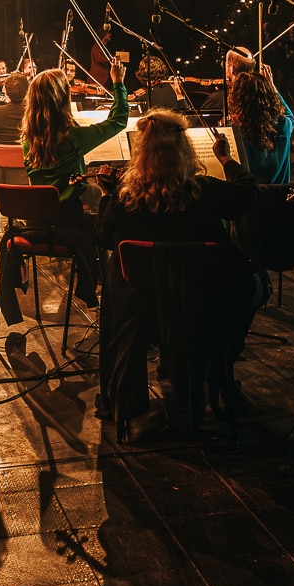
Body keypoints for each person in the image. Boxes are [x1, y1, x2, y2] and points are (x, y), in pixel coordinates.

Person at [96, 109, 259, 427]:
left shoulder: (124, 197)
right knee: (252, 285)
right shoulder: (204, 190)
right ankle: (219, 368)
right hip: (201, 299)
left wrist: (105, 194)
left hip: (140, 304)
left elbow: (102, 237)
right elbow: (248, 194)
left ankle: (125, 398)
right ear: (183, 150)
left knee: (116, 277)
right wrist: (226, 160)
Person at [8, 59, 128, 324]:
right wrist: (118, 83)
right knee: (113, 226)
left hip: (37, 224)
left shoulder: (28, 139)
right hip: (69, 226)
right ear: (62, 100)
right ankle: (116, 299)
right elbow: (118, 121)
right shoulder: (72, 137)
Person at [222, 51, 294, 186]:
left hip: (252, 202)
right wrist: (273, 88)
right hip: (280, 199)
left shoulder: (236, 132)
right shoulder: (283, 125)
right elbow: (290, 116)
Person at [0, 72, 29, 146]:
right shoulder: (34, 111)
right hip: (26, 155)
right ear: (27, 90)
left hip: (2, 156)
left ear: (6, 92)